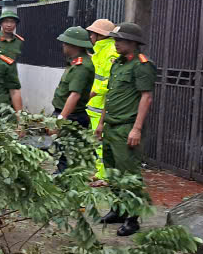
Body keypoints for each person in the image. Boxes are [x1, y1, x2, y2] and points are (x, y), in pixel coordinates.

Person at [94, 22, 155, 237]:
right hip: (111, 125)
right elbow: (110, 96)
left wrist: (136, 129)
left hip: (126, 127)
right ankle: (118, 210)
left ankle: (132, 218)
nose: (116, 43)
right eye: (115, 39)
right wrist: (101, 123)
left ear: (133, 42)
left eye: (120, 40)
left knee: (129, 174)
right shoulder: (117, 64)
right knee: (112, 172)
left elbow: (146, 97)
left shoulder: (142, 65)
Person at [50, 26, 95, 173]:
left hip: (71, 117)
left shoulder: (82, 67)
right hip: (68, 114)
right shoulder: (75, 62)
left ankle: (64, 180)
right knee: (61, 151)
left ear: (74, 45)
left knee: (66, 156)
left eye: (66, 43)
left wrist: (61, 119)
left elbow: (75, 95)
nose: (63, 45)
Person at [85, 18, 118, 181]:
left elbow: (109, 80)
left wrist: (93, 92)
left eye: (93, 34)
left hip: (101, 105)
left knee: (99, 142)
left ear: (101, 35)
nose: (90, 36)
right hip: (94, 105)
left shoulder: (110, 52)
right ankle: (97, 171)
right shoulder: (99, 50)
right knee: (94, 141)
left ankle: (102, 175)